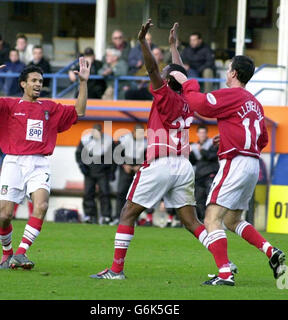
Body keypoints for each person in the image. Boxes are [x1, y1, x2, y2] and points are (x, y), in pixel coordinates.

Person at [90, 19, 218, 280]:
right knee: (192, 221)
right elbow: (178, 71)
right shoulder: (187, 100)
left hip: (161, 163)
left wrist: (142, 42)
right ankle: (224, 263)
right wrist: (173, 46)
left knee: (127, 213)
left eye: (165, 74)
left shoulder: (166, 97)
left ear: (167, 80)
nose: (161, 74)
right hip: (184, 165)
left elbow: (151, 69)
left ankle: (116, 270)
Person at [171, 53, 286, 285]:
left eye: (228, 69)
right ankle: (270, 251)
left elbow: (200, 104)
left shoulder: (232, 94)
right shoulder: (255, 103)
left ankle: (225, 273)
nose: (226, 72)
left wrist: (187, 83)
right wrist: (226, 138)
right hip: (253, 163)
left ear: (233, 73)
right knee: (233, 220)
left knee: (211, 217)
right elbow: (261, 138)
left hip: (235, 162)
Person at [0, 51, 90, 269]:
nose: (38, 84)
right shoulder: (9, 106)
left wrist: (83, 83)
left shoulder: (50, 108)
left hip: (39, 163)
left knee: (42, 205)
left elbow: (80, 110)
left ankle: (21, 253)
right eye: (34, 81)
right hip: (12, 162)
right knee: (5, 215)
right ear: (23, 84)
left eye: (41, 81)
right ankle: (6, 252)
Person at [75, 123, 117, 225]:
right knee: (88, 193)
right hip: (89, 171)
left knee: (105, 193)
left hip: (103, 171)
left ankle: (106, 216)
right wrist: (82, 167)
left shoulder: (108, 140)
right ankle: (89, 216)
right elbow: (79, 154)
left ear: (101, 131)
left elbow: (114, 157)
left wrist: (112, 171)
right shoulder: (85, 140)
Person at [113, 123, 147, 226]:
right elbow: (116, 154)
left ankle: (134, 219)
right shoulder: (124, 140)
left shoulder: (146, 142)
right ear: (134, 132)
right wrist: (124, 165)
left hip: (139, 169)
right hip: (125, 168)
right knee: (121, 192)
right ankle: (118, 217)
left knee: (137, 195)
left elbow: (149, 156)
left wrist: (141, 166)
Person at [189, 125, 219, 221]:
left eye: (204, 133)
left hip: (210, 174)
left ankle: (213, 219)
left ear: (206, 134)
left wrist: (201, 150)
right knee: (199, 200)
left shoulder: (212, 143)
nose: (202, 134)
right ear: (197, 134)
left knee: (210, 198)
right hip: (199, 176)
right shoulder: (194, 146)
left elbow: (212, 156)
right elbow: (193, 162)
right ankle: (203, 220)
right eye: (200, 133)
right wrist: (190, 153)